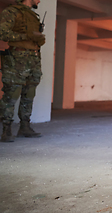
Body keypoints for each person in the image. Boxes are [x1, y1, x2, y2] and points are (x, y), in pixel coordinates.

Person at [0, 0, 44, 142]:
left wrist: (37, 39)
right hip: (17, 59)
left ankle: (25, 126)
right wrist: (27, 36)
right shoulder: (11, 11)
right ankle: (6, 130)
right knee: (12, 93)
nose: (39, 0)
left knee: (29, 93)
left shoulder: (32, 15)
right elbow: (3, 33)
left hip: (33, 58)